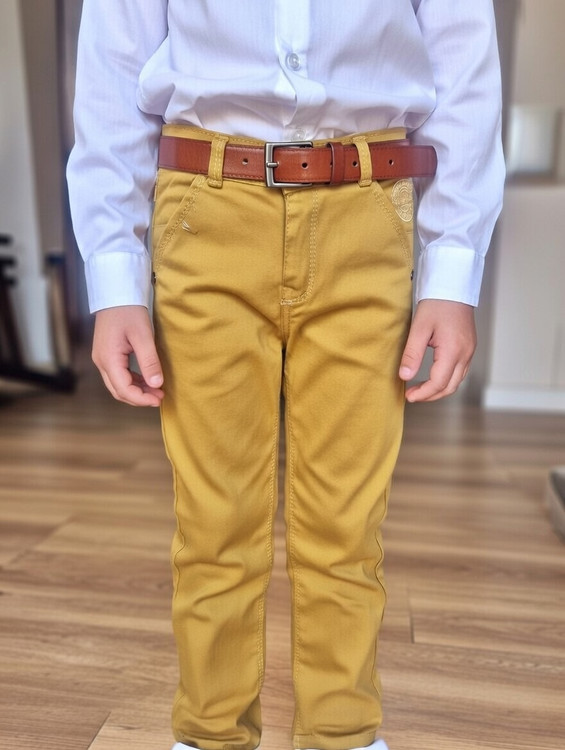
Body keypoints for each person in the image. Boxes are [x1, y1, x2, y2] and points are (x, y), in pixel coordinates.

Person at [67, 2, 505, 749]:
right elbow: (110, 75)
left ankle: (343, 734)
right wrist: (114, 278)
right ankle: (209, 735)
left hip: (369, 211)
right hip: (203, 208)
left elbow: (466, 71)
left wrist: (453, 268)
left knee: (346, 520)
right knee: (214, 518)